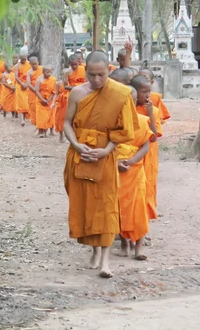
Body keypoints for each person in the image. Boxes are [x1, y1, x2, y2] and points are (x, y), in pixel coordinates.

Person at [63, 51, 138, 278]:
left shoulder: (119, 94)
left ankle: (106, 261)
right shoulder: (77, 93)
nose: (97, 80)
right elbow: (67, 123)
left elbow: (125, 130)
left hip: (105, 157)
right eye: (93, 75)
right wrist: (76, 145)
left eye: (102, 75)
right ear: (85, 71)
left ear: (109, 71)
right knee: (86, 205)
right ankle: (94, 250)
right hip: (80, 156)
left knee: (106, 207)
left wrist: (106, 150)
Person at [109, 69, 153, 260]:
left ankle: (139, 247)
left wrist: (132, 161)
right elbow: (109, 146)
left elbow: (146, 146)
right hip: (118, 171)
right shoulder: (114, 122)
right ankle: (125, 245)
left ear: (135, 103)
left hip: (136, 171)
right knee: (120, 208)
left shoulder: (143, 121)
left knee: (138, 208)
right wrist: (118, 162)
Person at [130, 75, 161, 221]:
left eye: (149, 91)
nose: (148, 95)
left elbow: (154, 137)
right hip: (130, 154)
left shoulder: (153, 111)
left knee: (146, 190)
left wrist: (150, 116)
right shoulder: (127, 109)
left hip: (147, 156)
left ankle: (143, 227)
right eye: (144, 92)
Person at [34, 65, 57, 138]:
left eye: (50, 72)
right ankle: (40, 132)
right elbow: (37, 91)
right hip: (40, 101)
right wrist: (42, 100)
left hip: (49, 101)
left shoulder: (53, 79)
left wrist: (48, 100)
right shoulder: (39, 79)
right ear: (43, 72)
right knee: (41, 116)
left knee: (50, 116)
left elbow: (53, 91)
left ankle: (49, 131)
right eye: (47, 72)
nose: (49, 74)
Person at [53, 65, 70, 143]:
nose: (66, 78)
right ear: (62, 75)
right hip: (61, 103)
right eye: (65, 76)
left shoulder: (71, 84)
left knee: (69, 120)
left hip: (69, 103)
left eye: (68, 76)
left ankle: (68, 136)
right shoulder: (58, 83)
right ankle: (61, 135)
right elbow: (56, 93)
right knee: (60, 119)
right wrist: (53, 103)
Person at [14, 53, 32, 126]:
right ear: (20, 59)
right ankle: (22, 120)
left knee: (26, 103)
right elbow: (16, 76)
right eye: (22, 60)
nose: (23, 61)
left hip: (28, 85)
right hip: (20, 86)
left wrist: (27, 84)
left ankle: (25, 117)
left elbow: (31, 75)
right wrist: (22, 84)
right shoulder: (17, 66)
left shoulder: (29, 65)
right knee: (21, 103)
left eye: (24, 59)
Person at [26, 55, 43, 129]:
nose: (35, 65)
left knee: (41, 109)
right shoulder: (29, 72)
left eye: (36, 64)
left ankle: (41, 125)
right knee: (33, 109)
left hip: (42, 91)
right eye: (33, 64)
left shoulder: (42, 69)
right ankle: (36, 125)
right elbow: (29, 84)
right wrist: (36, 91)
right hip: (33, 92)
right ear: (30, 64)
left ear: (38, 62)